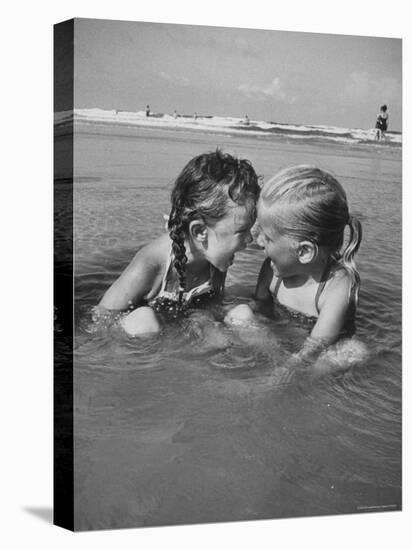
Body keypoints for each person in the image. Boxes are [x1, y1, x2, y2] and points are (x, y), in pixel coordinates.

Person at [97, 150, 260, 336]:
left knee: (242, 315)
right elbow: (100, 317)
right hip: (139, 332)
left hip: (172, 326)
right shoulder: (151, 263)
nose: (250, 239)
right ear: (200, 232)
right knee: (144, 321)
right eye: (242, 231)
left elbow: (210, 307)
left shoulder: (214, 256)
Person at [225, 165, 363, 365]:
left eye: (268, 238)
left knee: (353, 352)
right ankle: (275, 362)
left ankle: (294, 378)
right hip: (277, 341)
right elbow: (261, 305)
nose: (259, 241)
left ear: (304, 252)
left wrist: (288, 370)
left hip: (313, 352)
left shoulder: (336, 287)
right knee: (240, 314)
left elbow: (318, 344)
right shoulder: (271, 269)